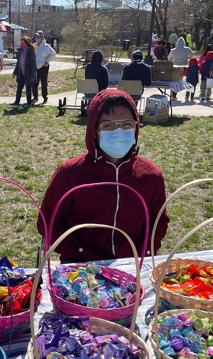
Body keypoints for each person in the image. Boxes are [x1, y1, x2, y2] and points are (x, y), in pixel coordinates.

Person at [36, 89, 169, 263]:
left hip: (131, 263)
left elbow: (158, 222)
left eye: (127, 124)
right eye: (108, 126)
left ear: (136, 126)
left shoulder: (150, 175)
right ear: (94, 130)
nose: (119, 132)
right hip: (80, 264)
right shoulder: (70, 173)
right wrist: (79, 251)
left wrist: (140, 251)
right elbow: (48, 222)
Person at [10, 36, 37, 108]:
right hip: (21, 73)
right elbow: (18, 63)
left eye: (23, 42)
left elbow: (33, 64)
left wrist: (33, 75)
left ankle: (28, 103)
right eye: (21, 42)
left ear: (27, 43)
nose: (21, 44)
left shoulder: (31, 51)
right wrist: (15, 72)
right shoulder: (20, 51)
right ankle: (16, 102)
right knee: (19, 88)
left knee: (28, 89)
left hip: (28, 74)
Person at [32, 30, 57, 104]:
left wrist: (47, 61)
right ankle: (35, 97)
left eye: (38, 37)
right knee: (34, 83)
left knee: (44, 83)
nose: (37, 38)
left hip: (43, 67)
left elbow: (53, 54)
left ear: (42, 37)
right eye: (36, 37)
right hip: (35, 67)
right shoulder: (34, 45)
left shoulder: (46, 46)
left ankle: (45, 97)